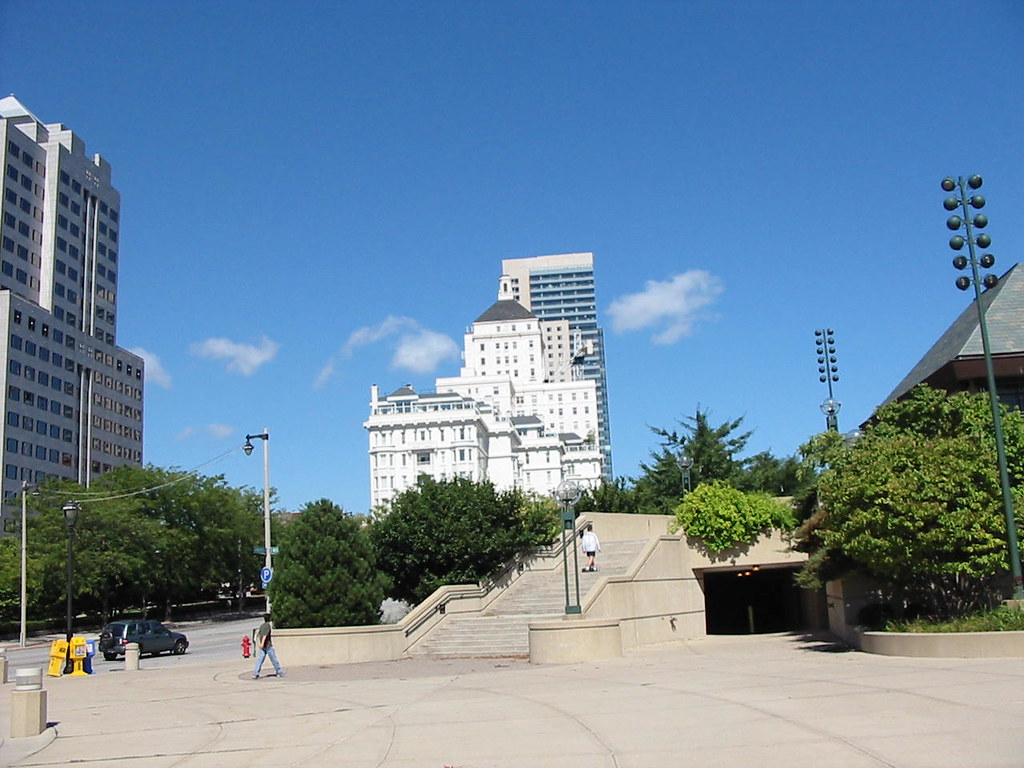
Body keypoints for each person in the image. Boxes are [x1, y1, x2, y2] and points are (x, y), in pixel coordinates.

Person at [252, 613, 285, 679]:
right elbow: (265, 635)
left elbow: (259, 635)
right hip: (268, 645)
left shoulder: (262, 626)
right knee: (274, 659)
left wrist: (260, 644)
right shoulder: (267, 626)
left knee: (260, 660)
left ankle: (256, 673)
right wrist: (262, 643)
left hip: (263, 647)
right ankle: (279, 672)